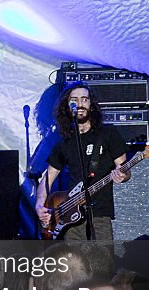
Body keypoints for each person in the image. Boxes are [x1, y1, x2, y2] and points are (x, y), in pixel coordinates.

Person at [35, 82, 129, 241]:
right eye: (75, 100)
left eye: (84, 99)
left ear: (91, 104)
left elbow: (124, 169)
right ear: (67, 105)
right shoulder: (64, 142)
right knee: (75, 265)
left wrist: (122, 175)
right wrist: (39, 205)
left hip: (99, 214)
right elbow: (48, 178)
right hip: (70, 217)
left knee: (103, 263)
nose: (80, 104)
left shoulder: (108, 134)